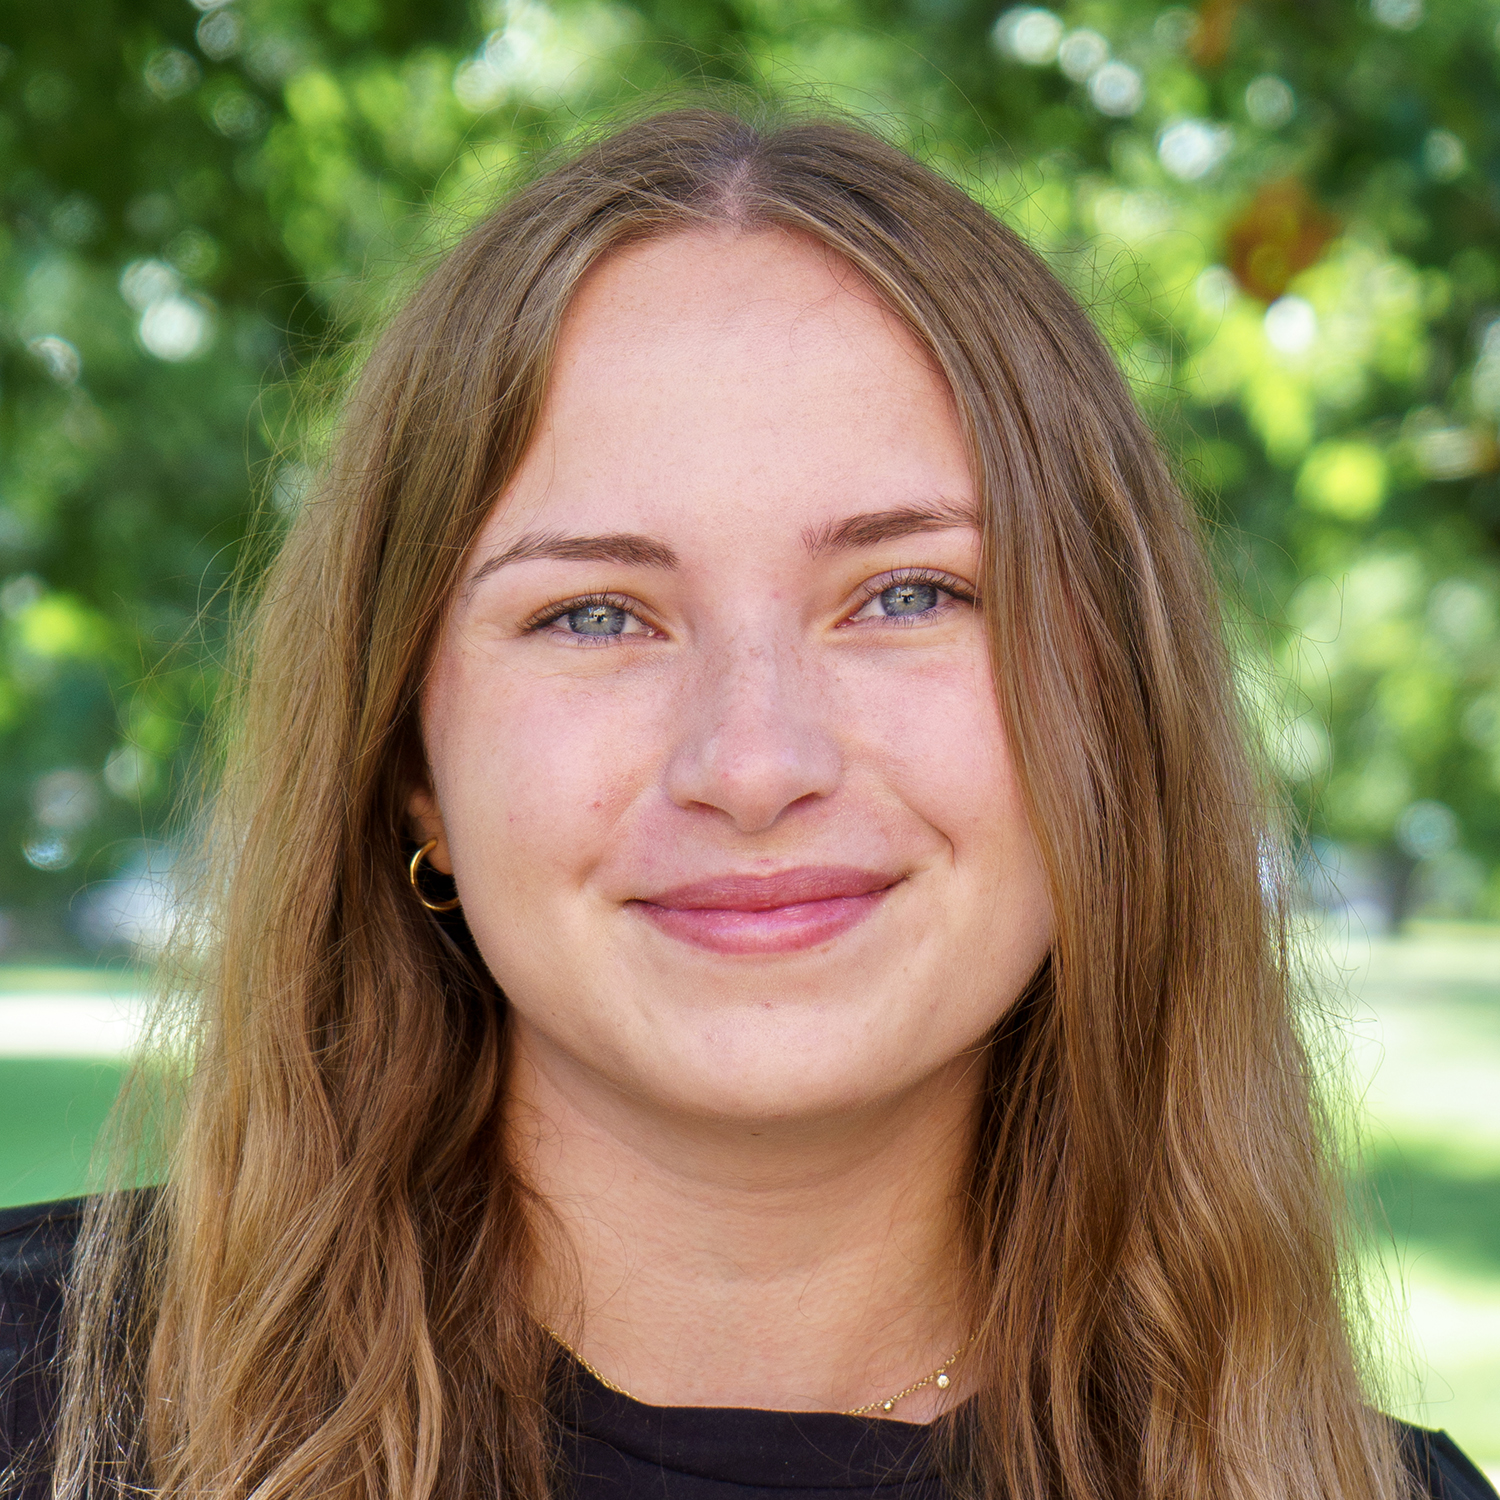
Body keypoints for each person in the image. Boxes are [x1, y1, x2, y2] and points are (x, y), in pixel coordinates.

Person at [1, 105, 1494, 1500]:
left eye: (908, 592)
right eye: (596, 614)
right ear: (413, 766)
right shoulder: (41, 1416)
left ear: (1110, 718)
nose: (757, 762)